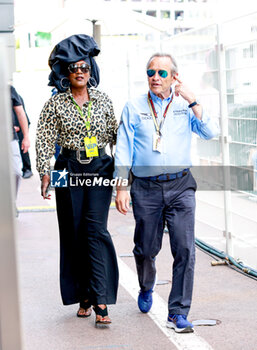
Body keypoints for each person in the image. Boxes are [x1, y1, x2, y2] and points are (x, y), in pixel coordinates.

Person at [114, 53, 219, 333]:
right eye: (151, 72)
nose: (155, 78)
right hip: (145, 188)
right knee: (146, 248)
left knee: (185, 249)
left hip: (181, 186)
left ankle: (178, 311)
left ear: (174, 77)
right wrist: (121, 186)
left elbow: (212, 132)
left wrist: (193, 100)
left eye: (162, 73)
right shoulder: (134, 107)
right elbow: (123, 147)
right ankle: (147, 285)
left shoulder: (185, 106)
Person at [36, 34, 119, 325]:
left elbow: (116, 136)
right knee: (72, 231)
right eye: (73, 68)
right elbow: (44, 138)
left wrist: (123, 176)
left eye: (84, 67)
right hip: (66, 166)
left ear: (90, 70)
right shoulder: (55, 104)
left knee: (95, 231)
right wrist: (45, 173)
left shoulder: (104, 100)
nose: (80, 72)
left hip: (99, 167)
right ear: (65, 73)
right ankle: (82, 294)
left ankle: (100, 297)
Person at [10, 85, 30, 200]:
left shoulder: (8, 89)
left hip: (10, 138)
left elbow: (21, 113)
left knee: (16, 172)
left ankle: (11, 202)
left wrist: (26, 137)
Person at [14, 94, 33, 179]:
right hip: (12, 127)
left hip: (20, 126)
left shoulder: (13, 94)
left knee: (23, 147)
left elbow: (20, 113)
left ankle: (27, 169)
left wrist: (16, 126)